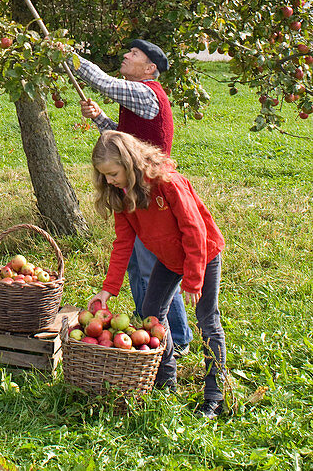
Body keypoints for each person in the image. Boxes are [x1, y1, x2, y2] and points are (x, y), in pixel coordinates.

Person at [88, 131, 227, 419]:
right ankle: (166, 379)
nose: (110, 181)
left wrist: (193, 278)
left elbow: (194, 231)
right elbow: (123, 243)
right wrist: (108, 288)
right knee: (152, 313)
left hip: (202, 254)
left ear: (129, 163)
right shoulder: (122, 196)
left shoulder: (168, 184)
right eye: (105, 177)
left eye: (113, 173)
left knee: (207, 320)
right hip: (168, 259)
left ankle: (215, 395)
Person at [75, 38, 193, 356]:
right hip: (138, 191)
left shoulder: (144, 91)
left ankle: (176, 339)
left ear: (150, 68)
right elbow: (126, 144)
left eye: (134, 54)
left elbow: (101, 80)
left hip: (151, 195)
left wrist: (67, 56)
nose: (126, 55)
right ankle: (153, 330)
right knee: (140, 268)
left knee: (150, 269)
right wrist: (101, 120)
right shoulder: (138, 99)